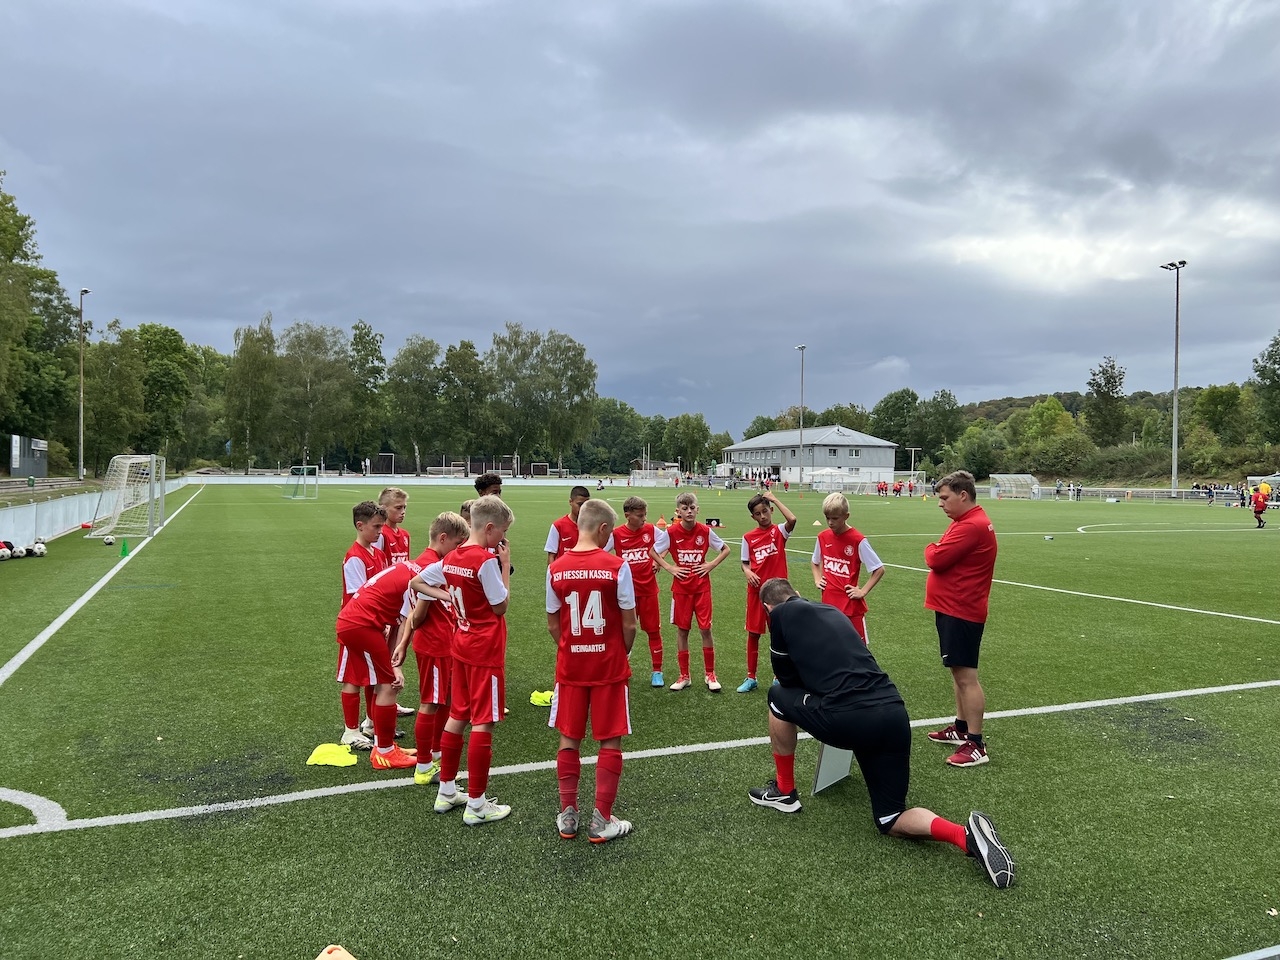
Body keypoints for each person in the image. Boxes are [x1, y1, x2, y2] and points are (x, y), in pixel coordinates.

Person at [746, 579, 1015, 889]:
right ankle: (964, 836)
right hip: (894, 713)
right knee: (890, 818)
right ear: (796, 593)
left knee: (777, 696)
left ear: (768, 607)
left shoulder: (779, 615)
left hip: (848, 717)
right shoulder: (833, 611)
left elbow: (786, 678)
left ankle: (785, 791)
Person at [410, 495, 514, 826]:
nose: (503, 539)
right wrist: (505, 566)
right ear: (489, 528)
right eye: (503, 532)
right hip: (485, 649)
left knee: (458, 715)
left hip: (461, 645)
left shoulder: (452, 556)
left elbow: (417, 582)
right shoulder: (484, 560)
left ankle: (446, 791)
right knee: (484, 721)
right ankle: (478, 804)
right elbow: (500, 606)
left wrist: (449, 599)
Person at [546, 499, 639, 843]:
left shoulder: (555, 569)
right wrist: (618, 652)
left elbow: (552, 623)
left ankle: (568, 815)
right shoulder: (617, 566)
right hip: (608, 666)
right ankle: (601, 820)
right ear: (602, 528)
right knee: (610, 738)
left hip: (571, 666)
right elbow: (630, 624)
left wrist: (572, 647)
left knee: (569, 736)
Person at [923, 471, 998, 768]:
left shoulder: (970, 525)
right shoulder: (965, 521)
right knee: (958, 672)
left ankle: (976, 743)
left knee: (967, 677)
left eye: (945, 497)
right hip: (954, 607)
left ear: (962, 495)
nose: (940, 503)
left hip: (961, 609)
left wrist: (930, 547)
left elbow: (936, 558)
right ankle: (961, 727)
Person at [392, 511, 470, 786]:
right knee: (431, 702)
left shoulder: (428, 563)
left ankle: (435, 753)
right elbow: (418, 615)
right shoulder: (431, 566)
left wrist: (403, 643)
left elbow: (412, 613)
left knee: (444, 700)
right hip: (435, 643)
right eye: (458, 544)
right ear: (443, 538)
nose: (459, 551)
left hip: (442, 642)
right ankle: (424, 765)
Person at [335, 560, 423, 770]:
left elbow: (397, 624)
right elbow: (407, 621)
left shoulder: (413, 568)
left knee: (382, 681)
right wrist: (396, 667)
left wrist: (393, 663)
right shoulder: (421, 575)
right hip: (360, 624)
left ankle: (383, 744)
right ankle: (384, 751)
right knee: (387, 684)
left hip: (360, 623)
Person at [660, 492, 731, 691]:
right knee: (682, 631)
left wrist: (711, 564)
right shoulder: (671, 532)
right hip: (681, 590)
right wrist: (670, 568)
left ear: (697, 509)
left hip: (702, 589)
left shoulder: (705, 531)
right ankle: (684, 676)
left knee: (705, 629)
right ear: (678, 511)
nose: (689, 511)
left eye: (692, 508)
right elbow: (653, 551)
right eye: (685, 508)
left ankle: (710, 674)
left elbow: (725, 549)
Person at [739, 489, 797, 692]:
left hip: (778, 594)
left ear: (771, 510)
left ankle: (779, 676)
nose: (762, 516)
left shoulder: (779, 531)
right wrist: (747, 572)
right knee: (753, 634)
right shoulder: (748, 537)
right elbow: (744, 563)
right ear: (753, 517)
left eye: (765, 511)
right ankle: (751, 677)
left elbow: (792, 519)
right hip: (756, 592)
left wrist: (775, 499)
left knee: (779, 634)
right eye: (758, 513)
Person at [340, 501, 388, 749]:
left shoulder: (378, 554)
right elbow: (359, 597)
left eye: (381, 527)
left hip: (374, 624)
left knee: (373, 675)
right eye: (376, 527)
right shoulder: (354, 558)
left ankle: (370, 723)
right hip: (357, 626)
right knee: (353, 677)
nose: (380, 532)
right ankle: (350, 731)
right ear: (360, 526)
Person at [810, 492, 885, 643]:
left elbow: (879, 569)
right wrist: (817, 579)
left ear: (846, 516)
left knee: (858, 649)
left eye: (835, 518)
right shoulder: (823, 537)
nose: (830, 522)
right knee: (832, 646)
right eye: (827, 518)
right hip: (828, 605)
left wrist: (862, 591)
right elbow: (814, 562)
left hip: (850, 607)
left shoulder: (858, 540)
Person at [613, 496, 671, 687]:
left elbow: (668, 542)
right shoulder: (616, 534)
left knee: (653, 631)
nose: (644, 519)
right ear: (627, 515)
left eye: (645, 515)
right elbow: (600, 552)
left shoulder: (651, 530)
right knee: (623, 632)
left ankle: (657, 671)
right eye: (640, 516)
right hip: (625, 594)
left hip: (648, 591)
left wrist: (658, 560)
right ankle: (622, 667)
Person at [545, 486, 592, 565]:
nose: (583, 508)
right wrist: (552, 572)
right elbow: (551, 555)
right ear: (570, 502)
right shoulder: (558, 525)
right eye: (580, 504)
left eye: (586, 505)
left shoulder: (592, 525)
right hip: (564, 571)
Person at [376, 487, 411, 565]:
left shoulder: (405, 535)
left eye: (404, 507)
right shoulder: (379, 534)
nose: (403, 512)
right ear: (384, 508)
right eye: (398, 508)